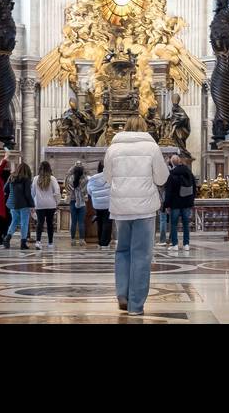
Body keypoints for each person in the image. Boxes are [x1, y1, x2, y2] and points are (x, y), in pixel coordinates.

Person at [104, 115, 170, 316]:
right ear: (144, 128)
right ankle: (135, 305)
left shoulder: (113, 148)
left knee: (122, 251)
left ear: (124, 128)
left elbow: (108, 177)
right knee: (141, 255)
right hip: (144, 208)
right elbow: (162, 178)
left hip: (121, 208)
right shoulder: (151, 148)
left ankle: (122, 294)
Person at [164, 156, 196, 251]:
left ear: (173, 163)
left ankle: (175, 244)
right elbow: (194, 188)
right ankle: (186, 244)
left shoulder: (172, 175)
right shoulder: (189, 173)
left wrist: (166, 205)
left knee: (173, 224)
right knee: (186, 224)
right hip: (186, 203)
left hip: (175, 204)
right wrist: (191, 200)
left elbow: (168, 191)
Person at [4, 163, 34, 250]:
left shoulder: (11, 177)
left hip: (13, 203)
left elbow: (5, 189)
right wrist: (32, 205)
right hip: (23, 204)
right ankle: (23, 243)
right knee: (24, 223)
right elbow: (27, 194)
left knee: (14, 221)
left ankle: (7, 237)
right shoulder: (26, 180)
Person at [32, 161, 60, 250]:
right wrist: (57, 202)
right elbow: (57, 191)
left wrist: (33, 203)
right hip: (50, 204)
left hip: (39, 204)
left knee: (40, 223)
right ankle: (50, 243)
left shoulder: (36, 178)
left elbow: (32, 192)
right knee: (50, 223)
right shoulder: (52, 178)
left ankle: (38, 242)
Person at [88, 160, 112, 249]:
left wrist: (96, 196)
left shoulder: (92, 178)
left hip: (97, 204)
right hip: (108, 204)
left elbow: (89, 191)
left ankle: (100, 241)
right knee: (107, 223)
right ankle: (105, 243)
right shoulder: (110, 177)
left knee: (100, 223)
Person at [66, 162, 88, 246]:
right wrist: (81, 167)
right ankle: (82, 240)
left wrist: (74, 166)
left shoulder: (70, 178)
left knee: (74, 222)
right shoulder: (85, 179)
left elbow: (67, 175)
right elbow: (87, 190)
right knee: (81, 222)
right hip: (82, 201)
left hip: (72, 201)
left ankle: (72, 240)